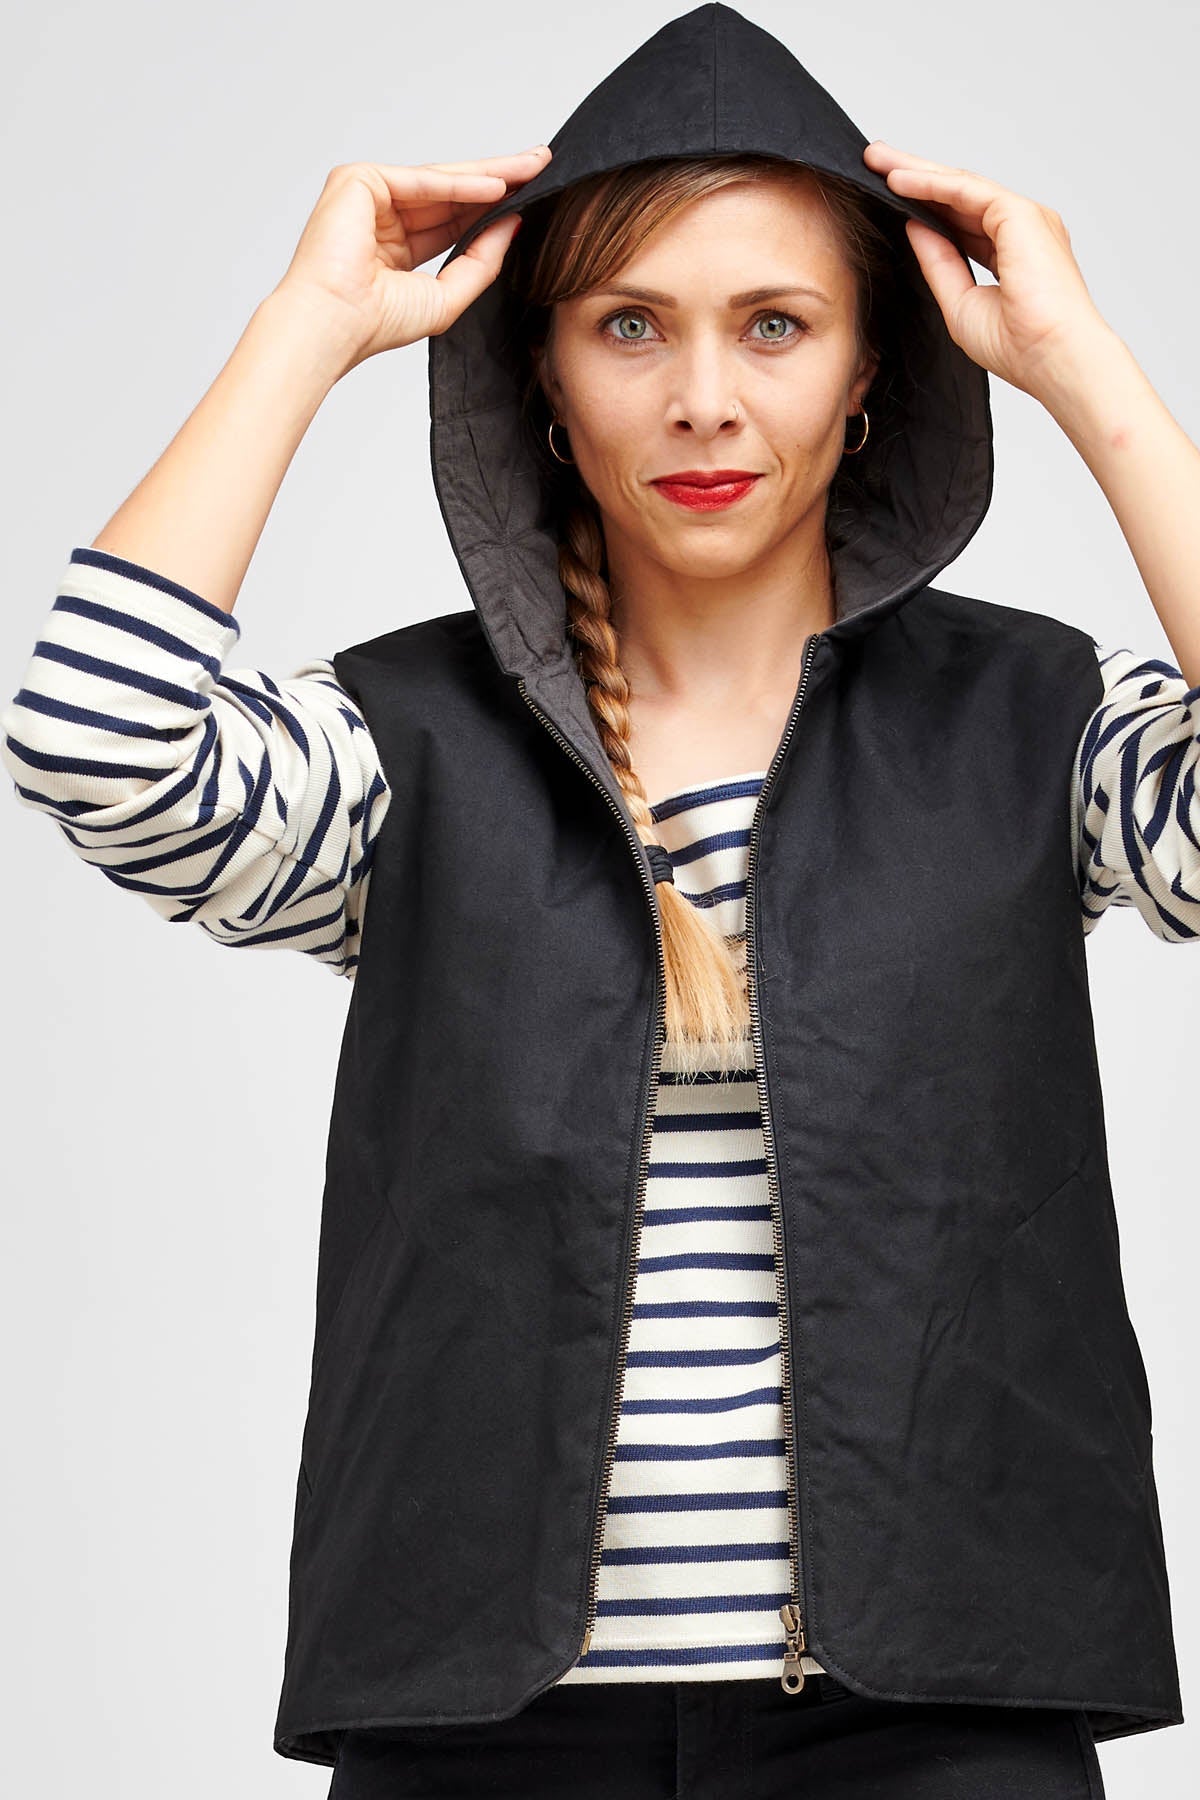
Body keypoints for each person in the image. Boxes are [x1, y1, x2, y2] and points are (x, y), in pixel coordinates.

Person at [2, 2, 1196, 1794]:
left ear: (868, 370)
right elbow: (95, 738)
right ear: (544, 380)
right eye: (629, 326)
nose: (704, 397)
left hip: (941, 1707)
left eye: (776, 325)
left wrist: (1085, 370)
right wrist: (308, 324)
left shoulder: (1037, 721)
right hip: (486, 1721)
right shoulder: (404, 745)